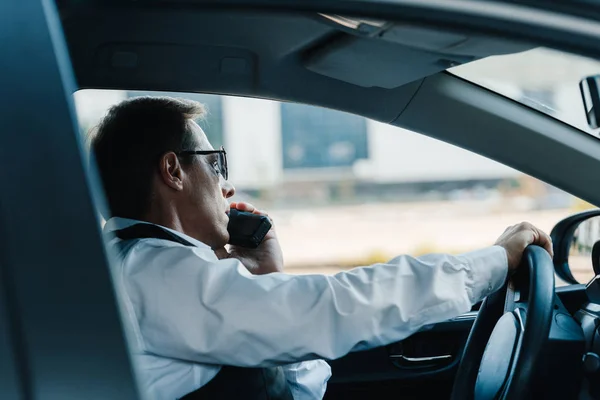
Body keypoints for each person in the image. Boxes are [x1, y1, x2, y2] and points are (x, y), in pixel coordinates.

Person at [89, 96, 553, 400]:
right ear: (173, 171)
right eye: (216, 164)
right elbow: (341, 304)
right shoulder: (158, 275)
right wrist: (494, 262)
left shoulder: (147, 268)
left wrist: (269, 280)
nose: (226, 187)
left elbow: (301, 386)